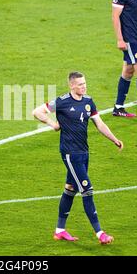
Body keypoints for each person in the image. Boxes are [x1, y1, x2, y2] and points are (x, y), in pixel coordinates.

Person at [32, 72, 123, 245]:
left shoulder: (88, 102)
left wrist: (114, 140)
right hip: (70, 153)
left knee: (70, 189)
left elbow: (100, 124)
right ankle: (100, 233)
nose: (84, 86)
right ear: (72, 85)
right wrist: (53, 124)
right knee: (87, 190)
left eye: (85, 83)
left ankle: (59, 230)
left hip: (83, 153)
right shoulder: (62, 101)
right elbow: (37, 112)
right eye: (80, 84)